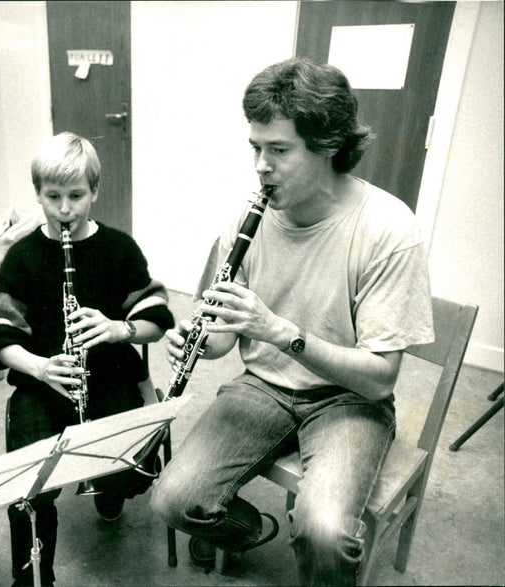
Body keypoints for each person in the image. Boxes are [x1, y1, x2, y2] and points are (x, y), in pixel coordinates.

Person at [150, 58, 434, 586]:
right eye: (255, 148)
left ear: (328, 147)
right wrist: (199, 340)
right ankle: (252, 531)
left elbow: (379, 377)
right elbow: (224, 340)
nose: (260, 165)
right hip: (264, 385)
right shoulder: (247, 216)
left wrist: (280, 331)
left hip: (349, 399)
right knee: (172, 500)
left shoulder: (389, 228)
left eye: (278, 150)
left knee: (324, 533)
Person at [0, 132, 175, 586]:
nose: (64, 209)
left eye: (76, 196)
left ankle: (111, 490)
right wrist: (41, 367)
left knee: (131, 474)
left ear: (95, 193)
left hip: (110, 378)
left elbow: (157, 317)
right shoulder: (23, 256)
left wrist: (118, 329)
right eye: (52, 197)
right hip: (43, 382)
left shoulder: (119, 248)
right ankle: (33, 580)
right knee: (27, 489)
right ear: (38, 195)